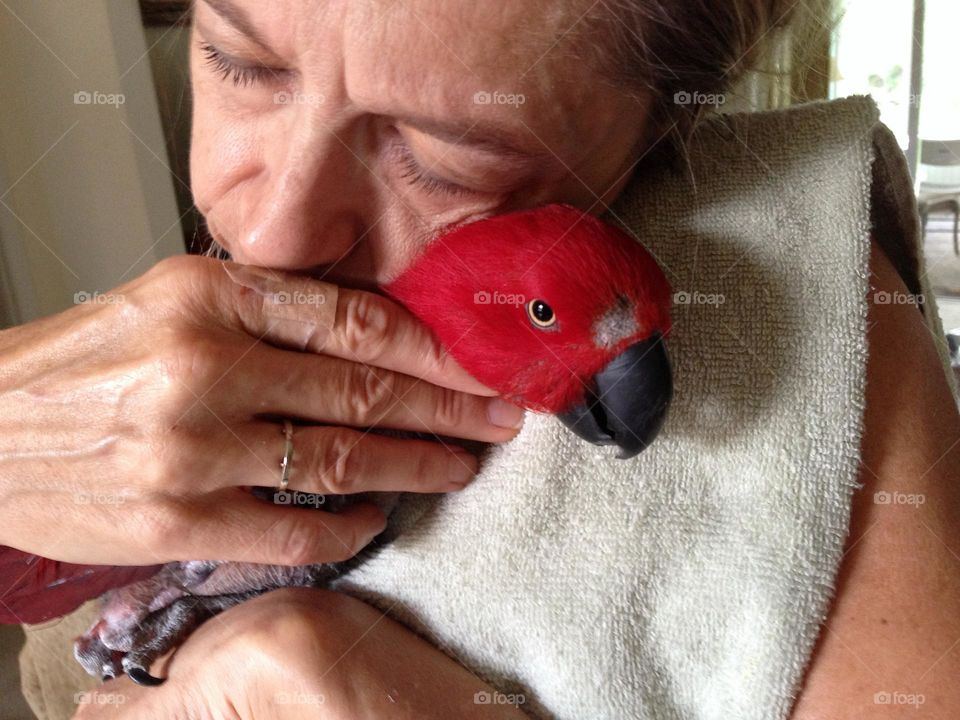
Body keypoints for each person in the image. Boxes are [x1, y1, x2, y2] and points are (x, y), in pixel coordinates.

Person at [3, 0, 959, 717]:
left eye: (445, 161)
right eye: (235, 60)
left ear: (659, 138)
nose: (268, 231)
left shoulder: (807, 309)